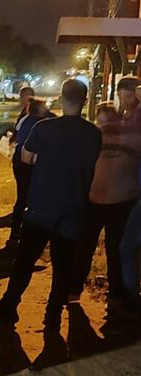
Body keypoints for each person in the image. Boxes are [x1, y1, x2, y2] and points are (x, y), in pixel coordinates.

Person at [0, 80, 102, 327]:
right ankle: (53, 314)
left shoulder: (43, 127)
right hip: (73, 206)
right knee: (63, 264)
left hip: (42, 203)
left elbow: (26, 157)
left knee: (25, 260)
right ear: (85, 99)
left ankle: (9, 306)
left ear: (60, 97)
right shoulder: (93, 133)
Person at [70, 77, 141, 311]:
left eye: (128, 94)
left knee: (115, 247)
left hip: (123, 197)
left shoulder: (135, 122)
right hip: (97, 197)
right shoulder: (114, 124)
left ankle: (118, 294)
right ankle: (76, 287)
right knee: (87, 244)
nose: (124, 99)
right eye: (122, 94)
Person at [9, 98, 49, 243]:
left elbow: (16, 137)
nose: (46, 108)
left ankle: (15, 231)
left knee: (22, 197)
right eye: (44, 106)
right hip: (29, 163)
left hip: (18, 161)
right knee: (29, 198)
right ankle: (26, 232)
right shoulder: (39, 123)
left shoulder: (24, 120)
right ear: (38, 109)